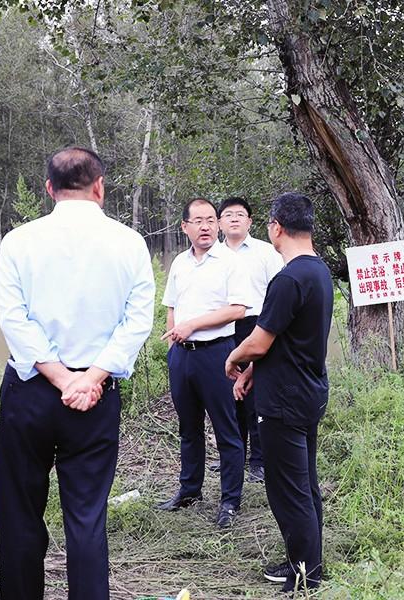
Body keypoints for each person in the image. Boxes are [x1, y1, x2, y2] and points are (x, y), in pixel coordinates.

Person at [0, 146, 155, 600]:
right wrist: (90, 377)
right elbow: (136, 320)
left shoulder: (19, 241)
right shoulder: (129, 243)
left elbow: (14, 319)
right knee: (86, 516)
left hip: (30, 392)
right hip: (94, 396)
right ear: (99, 187)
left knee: (20, 512)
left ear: (49, 189)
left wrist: (60, 377)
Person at [225, 192, 333, 593]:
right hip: (307, 390)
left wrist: (235, 359)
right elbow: (289, 339)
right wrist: (254, 369)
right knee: (304, 483)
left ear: (275, 227)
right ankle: (305, 561)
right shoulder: (318, 271)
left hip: (284, 399)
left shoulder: (287, 278)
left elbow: (259, 340)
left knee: (289, 490)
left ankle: (306, 575)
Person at [156, 198, 252, 528]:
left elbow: (238, 309)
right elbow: (171, 305)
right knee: (189, 427)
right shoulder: (180, 263)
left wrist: (194, 324)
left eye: (211, 220)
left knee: (227, 429)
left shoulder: (229, 261)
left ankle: (229, 501)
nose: (206, 226)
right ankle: (189, 490)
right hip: (182, 355)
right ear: (185, 227)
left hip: (217, 354)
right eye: (198, 221)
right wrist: (175, 338)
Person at [215, 196, 284, 483]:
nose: (234, 219)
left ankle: (258, 460)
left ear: (250, 221)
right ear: (219, 222)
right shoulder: (211, 255)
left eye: (240, 214)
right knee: (228, 396)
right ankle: (233, 455)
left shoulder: (266, 252)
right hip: (222, 328)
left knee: (256, 393)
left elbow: (279, 292)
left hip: (256, 326)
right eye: (228, 214)